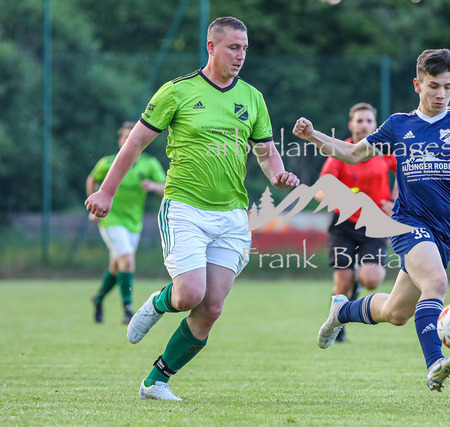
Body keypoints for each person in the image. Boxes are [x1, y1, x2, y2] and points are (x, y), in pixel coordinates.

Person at [85, 16, 299, 401]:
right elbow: (135, 144)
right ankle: (157, 303)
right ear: (211, 47)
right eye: (233, 47)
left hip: (232, 215)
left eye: (245, 48)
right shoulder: (177, 91)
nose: (240, 55)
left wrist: (278, 175)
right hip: (185, 208)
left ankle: (156, 381)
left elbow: (267, 153)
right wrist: (106, 192)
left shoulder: (252, 97)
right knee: (188, 295)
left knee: (211, 307)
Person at [293, 48, 450, 392]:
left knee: (395, 313)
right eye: (434, 86)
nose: (442, 94)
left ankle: (341, 312)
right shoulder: (399, 125)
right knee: (436, 282)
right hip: (407, 223)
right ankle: (435, 364)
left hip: (444, 233)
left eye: (448, 86)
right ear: (417, 85)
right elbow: (353, 153)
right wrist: (314, 136)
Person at [314, 102, 397, 343]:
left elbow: (405, 173)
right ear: (351, 125)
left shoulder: (384, 150)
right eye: (359, 121)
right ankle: (337, 327)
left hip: (375, 224)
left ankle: (357, 285)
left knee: (372, 280)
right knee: (343, 283)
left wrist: (395, 201)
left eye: (369, 121)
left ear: (375, 125)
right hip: (344, 225)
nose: (364, 125)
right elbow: (320, 189)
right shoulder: (342, 152)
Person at [87, 121, 166, 325]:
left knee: (117, 266)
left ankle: (98, 298)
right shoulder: (108, 163)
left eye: (133, 136)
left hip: (133, 223)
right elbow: (92, 179)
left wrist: (153, 186)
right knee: (128, 260)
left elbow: (166, 187)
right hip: (111, 219)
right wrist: (95, 208)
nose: (130, 140)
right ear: (120, 141)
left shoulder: (149, 164)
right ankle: (128, 309)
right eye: (126, 137)